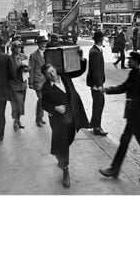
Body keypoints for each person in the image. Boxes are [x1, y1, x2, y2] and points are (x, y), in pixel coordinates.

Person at [99, 51, 140, 183]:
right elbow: (123, 87)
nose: (128, 61)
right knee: (139, 141)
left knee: (126, 141)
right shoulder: (133, 74)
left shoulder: (139, 75)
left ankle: (115, 169)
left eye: (130, 59)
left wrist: (136, 101)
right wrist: (107, 90)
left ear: (136, 62)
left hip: (136, 114)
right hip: (134, 115)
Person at [40, 57, 90, 188]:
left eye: (52, 71)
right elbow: (43, 103)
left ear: (55, 69)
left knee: (69, 138)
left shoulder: (65, 76)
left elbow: (79, 71)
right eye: (49, 74)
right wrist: (55, 108)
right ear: (46, 76)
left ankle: (59, 154)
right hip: (59, 120)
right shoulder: (46, 88)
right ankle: (65, 171)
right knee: (63, 143)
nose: (52, 74)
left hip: (72, 114)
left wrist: (82, 60)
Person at [87, 30, 108, 136]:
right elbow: (95, 71)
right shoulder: (95, 52)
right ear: (102, 39)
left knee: (97, 104)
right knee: (99, 105)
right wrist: (99, 85)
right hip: (96, 84)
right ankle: (97, 128)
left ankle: (93, 123)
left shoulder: (96, 50)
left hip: (96, 83)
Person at [28, 35, 48, 127]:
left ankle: (40, 117)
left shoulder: (48, 54)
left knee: (44, 99)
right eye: (41, 43)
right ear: (38, 44)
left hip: (46, 81)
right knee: (41, 99)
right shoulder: (33, 55)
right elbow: (31, 70)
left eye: (44, 43)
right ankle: (38, 119)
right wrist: (30, 82)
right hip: (38, 81)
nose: (43, 45)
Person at [9, 41, 29, 130]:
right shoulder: (9, 59)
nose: (18, 49)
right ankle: (16, 121)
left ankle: (18, 120)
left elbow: (29, 67)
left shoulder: (23, 57)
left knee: (21, 105)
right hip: (14, 85)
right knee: (16, 105)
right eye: (16, 48)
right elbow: (7, 72)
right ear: (13, 49)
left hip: (23, 84)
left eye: (19, 47)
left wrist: (26, 68)